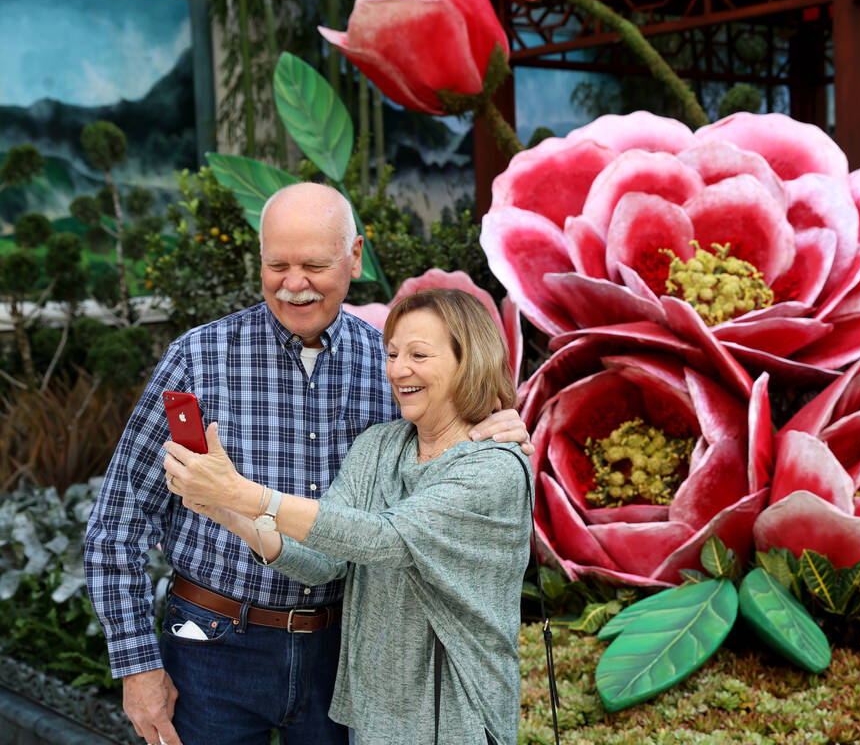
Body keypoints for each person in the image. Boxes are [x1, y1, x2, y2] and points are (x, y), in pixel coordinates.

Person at [84, 183, 530, 745]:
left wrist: (501, 427)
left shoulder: (386, 364)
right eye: (278, 265)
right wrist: (136, 667)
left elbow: (443, 454)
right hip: (212, 645)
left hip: (343, 653)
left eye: (314, 265)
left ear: (355, 257)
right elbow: (116, 524)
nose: (294, 284)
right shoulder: (199, 357)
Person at [163, 288, 530, 744]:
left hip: (457, 713)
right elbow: (327, 559)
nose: (398, 370)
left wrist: (245, 493)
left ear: (468, 361)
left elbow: (387, 539)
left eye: (418, 354)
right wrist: (230, 512)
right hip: (377, 715)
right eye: (392, 353)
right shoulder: (379, 446)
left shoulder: (493, 468)